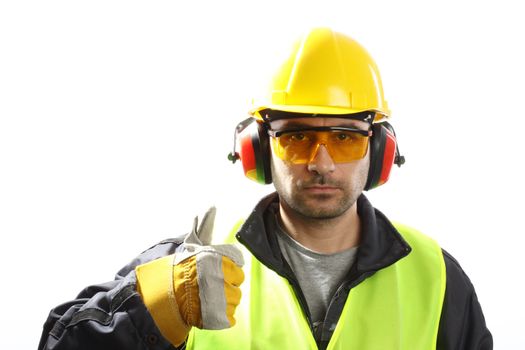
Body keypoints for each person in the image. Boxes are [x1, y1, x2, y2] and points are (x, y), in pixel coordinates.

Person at [38, 28, 492, 350]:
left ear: (379, 152)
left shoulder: (435, 277)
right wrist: (150, 312)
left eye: (345, 137)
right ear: (257, 149)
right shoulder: (192, 268)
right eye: (295, 137)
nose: (321, 161)